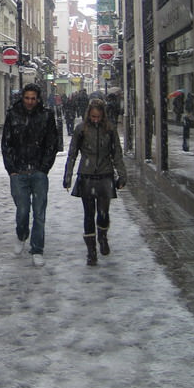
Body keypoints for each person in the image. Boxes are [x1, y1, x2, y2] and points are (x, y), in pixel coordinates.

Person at [62, 98, 127, 266]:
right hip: (87, 175)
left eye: (98, 117)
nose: (95, 119)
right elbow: (72, 153)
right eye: (92, 116)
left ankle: (103, 236)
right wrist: (68, 175)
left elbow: (117, 154)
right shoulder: (81, 130)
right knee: (88, 214)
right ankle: (91, 251)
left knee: (103, 213)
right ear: (88, 115)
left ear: (103, 115)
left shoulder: (110, 130)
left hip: (105, 174)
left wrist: (122, 175)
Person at [1, 83, 59, 266]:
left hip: (38, 171)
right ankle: (22, 234)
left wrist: (44, 167)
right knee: (23, 210)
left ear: (38, 99)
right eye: (27, 98)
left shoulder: (47, 116)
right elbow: (6, 144)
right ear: (22, 97)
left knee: (39, 213)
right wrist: (12, 169)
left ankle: (37, 248)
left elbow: (52, 143)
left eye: (33, 98)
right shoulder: (13, 115)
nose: (30, 102)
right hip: (18, 171)